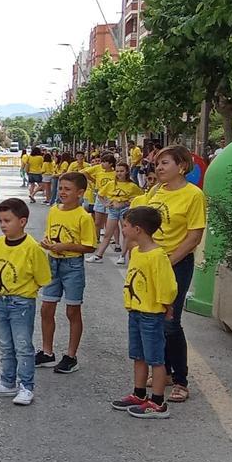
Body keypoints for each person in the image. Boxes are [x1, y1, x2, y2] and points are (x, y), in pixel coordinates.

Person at [144, 145, 205, 403]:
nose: (158, 168)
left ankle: (181, 380)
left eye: (164, 163)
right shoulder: (156, 191)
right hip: (153, 263)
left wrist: (169, 260)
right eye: (157, 163)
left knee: (171, 321)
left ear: (181, 166)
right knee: (155, 319)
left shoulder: (193, 195)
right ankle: (165, 372)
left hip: (176, 264)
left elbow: (194, 236)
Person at [0, 198, 50, 405]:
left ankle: (26, 386)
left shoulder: (32, 248)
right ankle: (7, 382)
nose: (2, 225)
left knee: (22, 345)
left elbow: (43, 278)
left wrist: (23, 292)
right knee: (5, 344)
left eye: (7, 220)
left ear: (22, 221)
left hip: (21, 303)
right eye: (0, 220)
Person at [110, 206, 178, 419]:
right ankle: (139, 393)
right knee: (138, 355)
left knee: (155, 358)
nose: (123, 229)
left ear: (138, 229)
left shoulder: (157, 256)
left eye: (126, 226)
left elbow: (166, 285)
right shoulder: (136, 251)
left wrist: (166, 306)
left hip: (151, 314)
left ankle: (157, 401)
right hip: (136, 311)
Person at [36, 172, 96, 374]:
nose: (62, 192)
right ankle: (47, 351)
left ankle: (71, 355)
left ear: (80, 193)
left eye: (67, 189)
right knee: (46, 308)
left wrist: (67, 246)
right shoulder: (54, 210)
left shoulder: (84, 217)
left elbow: (89, 246)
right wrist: (48, 243)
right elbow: (50, 233)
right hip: (53, 263)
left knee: (72, 311)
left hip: (72, 265)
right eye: (60, 188)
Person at [88, 163, 142, 264]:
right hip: (112, 210)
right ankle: (98, 255)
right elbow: (100, 194)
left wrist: (126, 203)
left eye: (121, 171)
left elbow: (140, 197)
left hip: (125, 210)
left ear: (126, 171)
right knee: (108, 234)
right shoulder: (111, 184)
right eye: (117, 171)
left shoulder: (132, 185)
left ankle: (122, 256)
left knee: (126, 233)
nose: (119, 173)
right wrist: (106, 204)